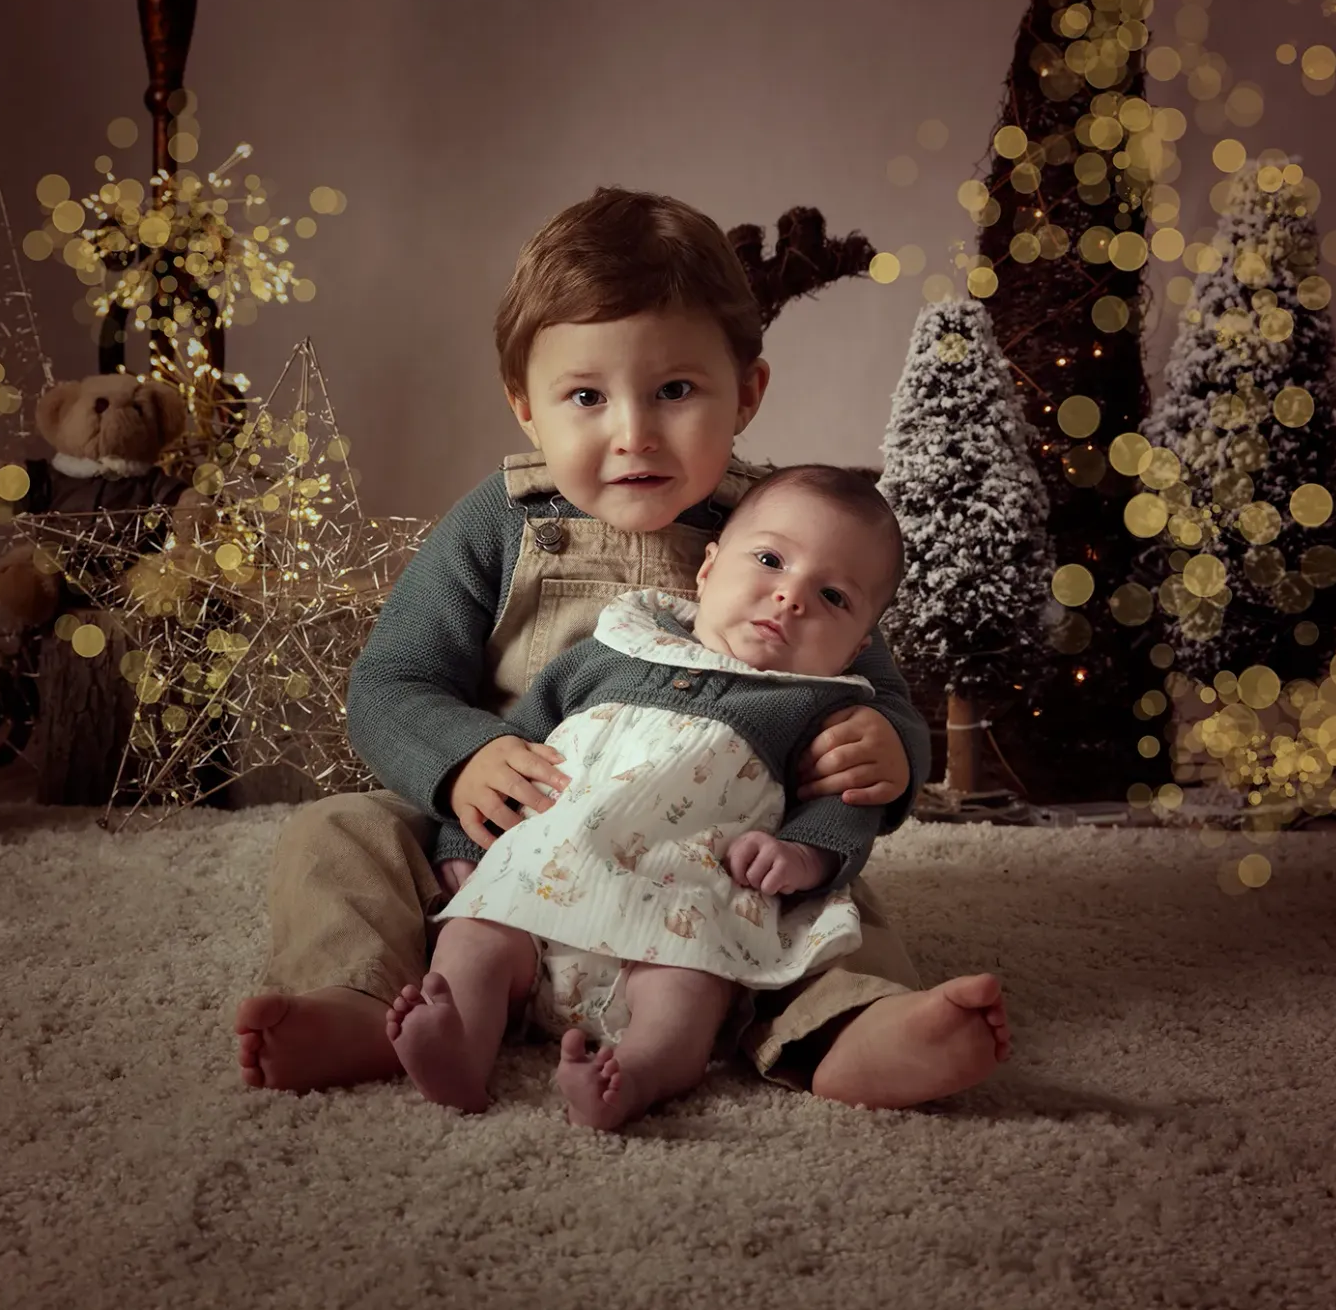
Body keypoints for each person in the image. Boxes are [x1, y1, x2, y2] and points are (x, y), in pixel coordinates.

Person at [236, 187, 1010, 1108]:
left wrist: (889, 749)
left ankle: (846, 1027)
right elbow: (392, 682)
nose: (633, 434)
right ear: (527, 408)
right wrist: (465, 761)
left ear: (746, 393)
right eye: (586, 397)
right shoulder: (501, 522)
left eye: (675, 391)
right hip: (504, 843)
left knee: (831, 903)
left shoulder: (786, 534)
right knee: (338, 834)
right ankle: (362, 1000)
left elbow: (874, 691)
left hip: (710, 865)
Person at [389, 466, 918, 1127]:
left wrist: (803, 855)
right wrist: (463, 841)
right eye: (769, 561)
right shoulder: (611, 650)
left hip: (681, 911)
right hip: (538, 881)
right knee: (472, 942)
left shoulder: (817, 706)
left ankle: (635, 1075)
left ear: (858, 647)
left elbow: (847, 803)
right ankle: (460, 1049)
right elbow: (517, 745)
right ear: (708, 570)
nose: (790, 598)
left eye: (833, 597)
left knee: (687, 993)